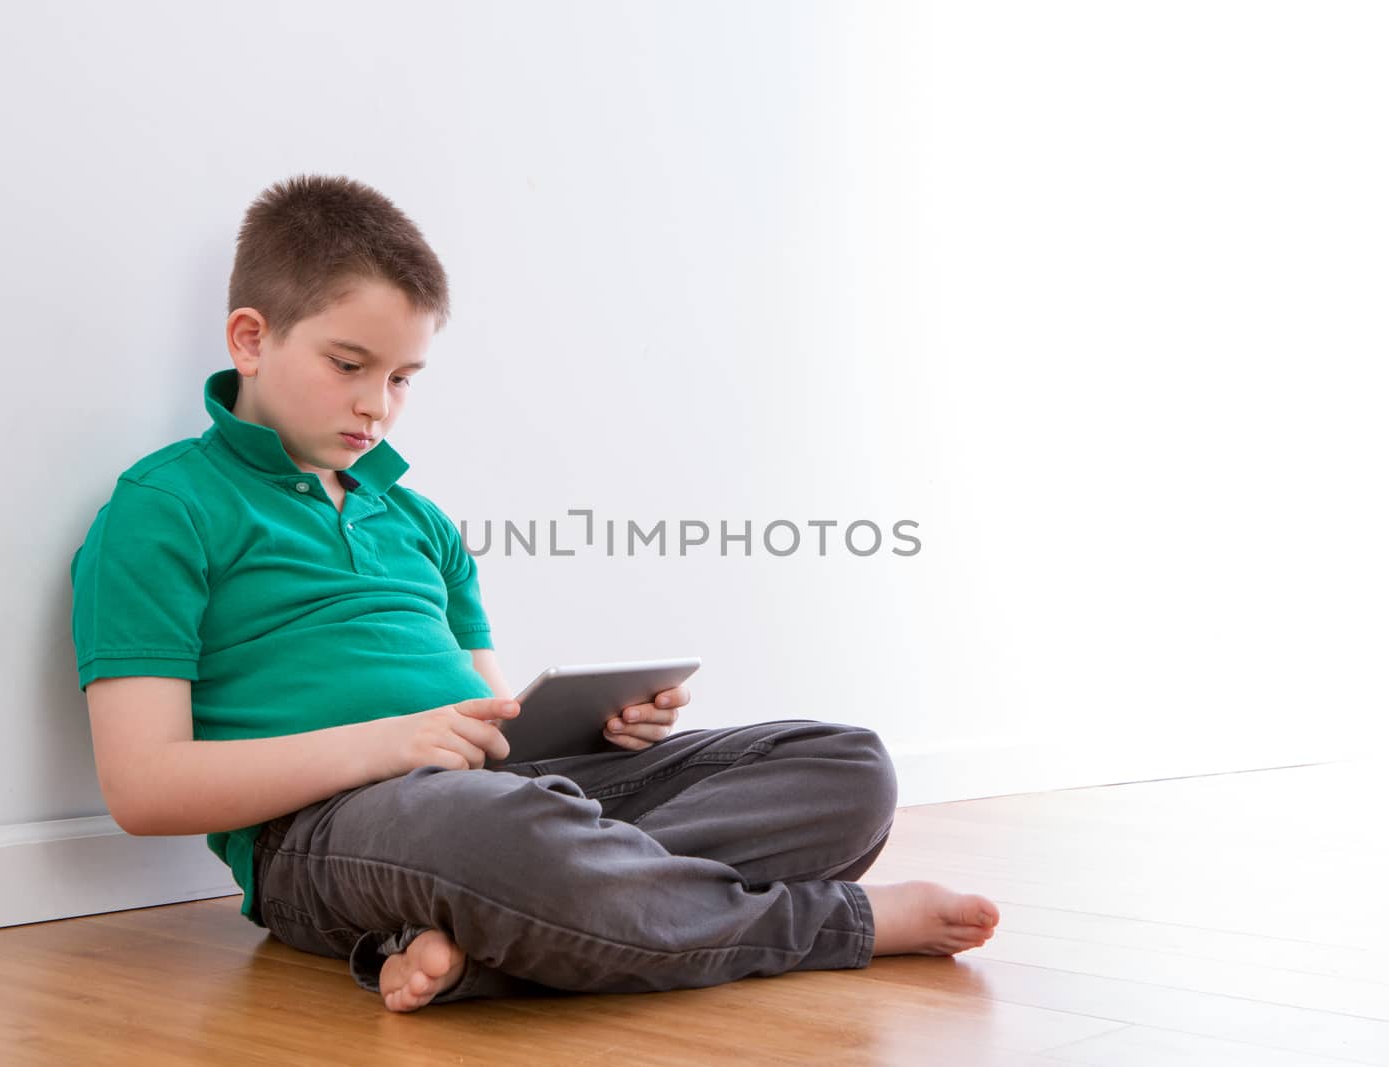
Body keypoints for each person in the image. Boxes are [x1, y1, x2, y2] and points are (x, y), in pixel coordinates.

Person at [69, 173, 1000, 1014]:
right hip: (322, 836)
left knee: (848, 768)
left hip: (494, 799)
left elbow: (496, 727)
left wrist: (601, 731)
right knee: (509, 836)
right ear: (250, 339)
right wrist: (389, 745)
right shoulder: (163, 511)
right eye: (349, 365)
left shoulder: (418, 520)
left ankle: (496, 951)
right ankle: (838, 925)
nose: (376, 405)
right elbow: (144, 787)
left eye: (402, 378)